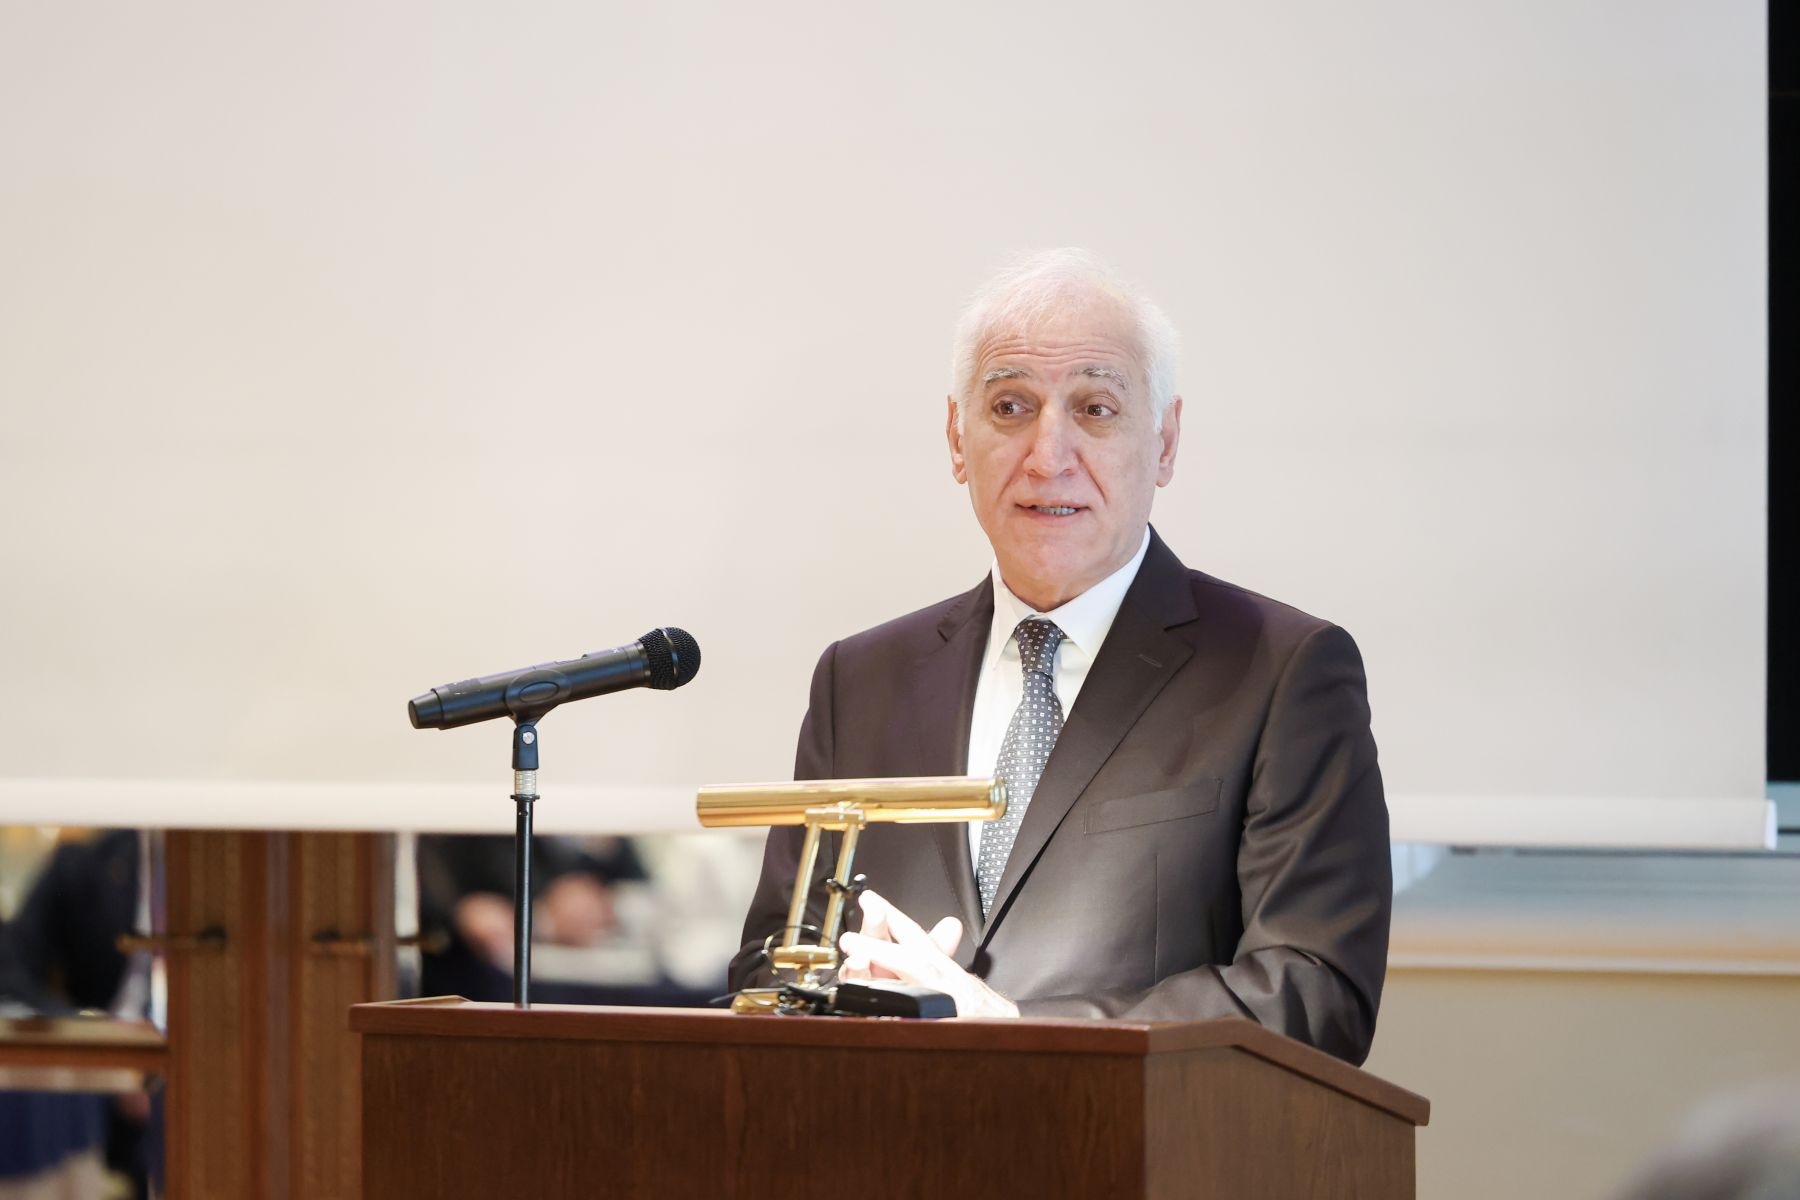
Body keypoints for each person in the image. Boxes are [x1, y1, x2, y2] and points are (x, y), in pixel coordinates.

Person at [729, 249, 1391, 1064]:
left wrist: (1011, 1027)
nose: (1049, 455)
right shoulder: (860, 681)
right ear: (957, 439)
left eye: (1096, 408)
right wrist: (847, 992)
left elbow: (1313, 992)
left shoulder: (1282, 671)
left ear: (1165, 442)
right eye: (1010, 406)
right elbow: (773, 964)